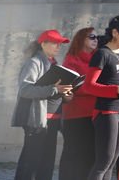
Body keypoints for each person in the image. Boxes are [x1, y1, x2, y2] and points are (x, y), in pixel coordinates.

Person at [11, 28, 74, 180]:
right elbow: (25, 90)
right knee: (31, 162)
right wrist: (54, 89)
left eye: (60, 44)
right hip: (37, 120)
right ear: (43, 44)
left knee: (47, 163)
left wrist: (66, 94)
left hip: (53, 120)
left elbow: (53, 92)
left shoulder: (54, 64)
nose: (58, 47)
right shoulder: (34, 62)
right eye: (55, 43)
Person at [84, 15, 119, 180]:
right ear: (115, 32)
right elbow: (89, 86)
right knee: (103, 162)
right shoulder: (102, 54)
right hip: (107, 112)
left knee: (113, 161)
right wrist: (116, 90)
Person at [57, 27, 98, 180]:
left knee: (90, 155)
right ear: (81, 39)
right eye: (91, 37)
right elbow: (69, 87)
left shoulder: (98, 59)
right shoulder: (71, 60)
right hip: (75, 115)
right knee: (73, 155)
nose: (96, 40)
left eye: (97, 37)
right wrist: (95, 88)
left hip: (94, 114)